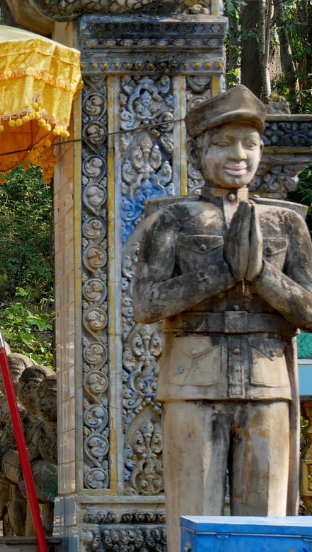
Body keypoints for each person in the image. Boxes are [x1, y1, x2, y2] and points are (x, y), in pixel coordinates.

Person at [133, 85, 312, 551]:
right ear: (198, 152)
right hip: (194, 380)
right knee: (192, 519)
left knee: (267, 526)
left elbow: (309, 311)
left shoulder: (287, 223)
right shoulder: (171, 219)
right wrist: (221, 274)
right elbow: (147, 304)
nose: (239, 155)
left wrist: (261, 275)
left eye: (249, 144)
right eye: (224, 143)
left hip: (267, 383)